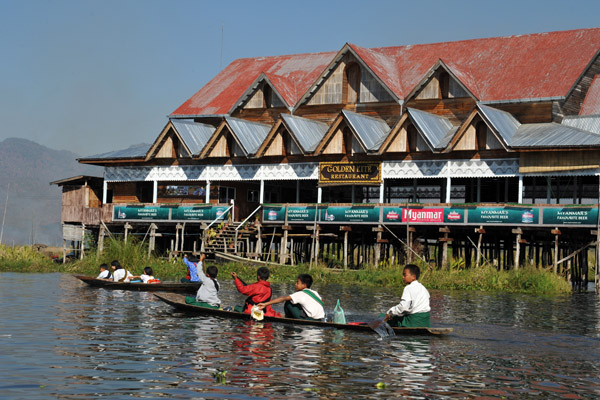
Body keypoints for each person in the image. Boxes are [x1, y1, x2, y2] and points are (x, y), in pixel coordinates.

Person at [257, 273, 324, 320]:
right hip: (320, 319)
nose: (295, 284)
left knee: (288, 303)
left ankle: (289, 319)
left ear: (304, 285)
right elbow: (321, 301)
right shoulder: (314, 292)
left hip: (310, 319)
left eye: (297, 283)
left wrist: (265, 304)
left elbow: (283, 298)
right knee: (297, 303)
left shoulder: (301, 294)